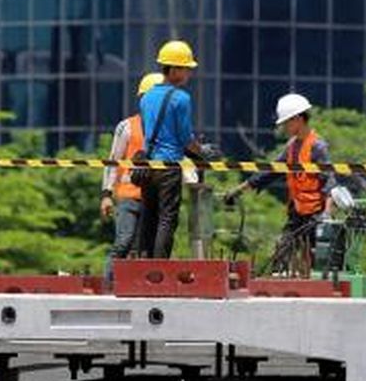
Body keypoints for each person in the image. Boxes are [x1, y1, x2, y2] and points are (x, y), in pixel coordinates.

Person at [224, 93, 334, 276]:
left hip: (316, 215)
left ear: (298, 118)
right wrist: (238, 190)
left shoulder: (317, 146)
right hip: (297, 213)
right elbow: (269, 172)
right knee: (282, 251)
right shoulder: (291, 146)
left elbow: (329, 182)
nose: (284, 127)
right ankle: (278, 287)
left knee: (318, 261)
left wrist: (327, 215)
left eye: (286, 122)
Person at [136, 40, 203, 259]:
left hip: (148, 166)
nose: (188, 74)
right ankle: (159, 269)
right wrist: (202, 152)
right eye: (185, 68)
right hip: (169, 166)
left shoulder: (146, 98)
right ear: (173, 69)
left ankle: (143, 263)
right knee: (167, 219)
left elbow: (148, 132)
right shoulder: (182, 98)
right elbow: (184, 138)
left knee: (148, 217)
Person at [100, 72, 164, 282]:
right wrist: (106, 194)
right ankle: (108, 284)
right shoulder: (127, 127)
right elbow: (112, 161)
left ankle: (142, 287)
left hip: (155, 199)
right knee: (124, 242)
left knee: (148, 249)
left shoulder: (168, 131)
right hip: (128, 197)